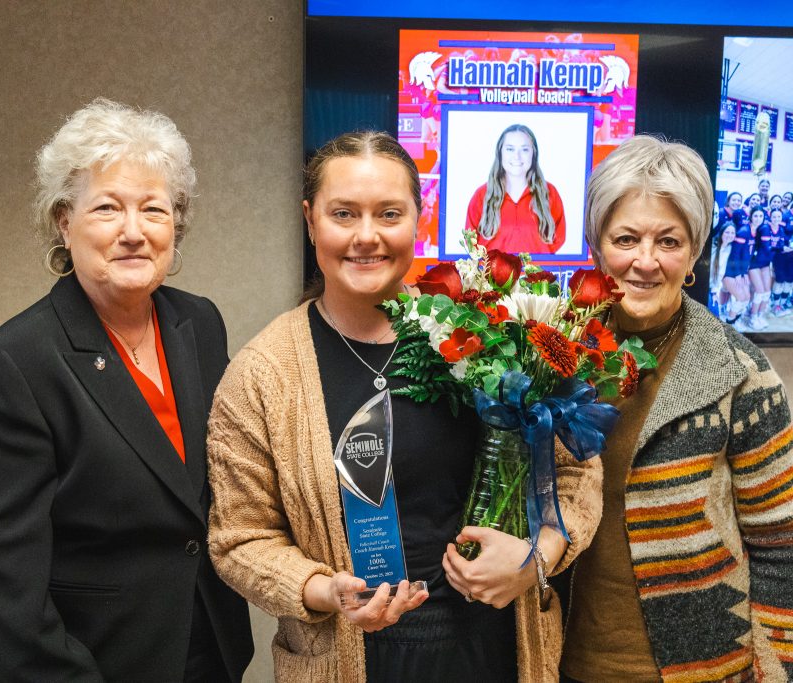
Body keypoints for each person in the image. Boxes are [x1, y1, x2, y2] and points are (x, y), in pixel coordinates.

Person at [207, 131, 602, 682]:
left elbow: (574, 472)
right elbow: (239, 538)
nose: (366, 237)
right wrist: (322, 590)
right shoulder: (262, 375)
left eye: (388, 214)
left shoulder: (484, 333)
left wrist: (537, 558)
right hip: (348, 658)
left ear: (420, 217)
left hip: (495, 651)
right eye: (343, 213)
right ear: (309, 218)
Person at [0, 99, 253, 682]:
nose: (134, 232)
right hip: (90, 662)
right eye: (108, 208)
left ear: (176, 224)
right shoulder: (15, 362)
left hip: (207, 648)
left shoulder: (199, 323)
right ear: (65, 221)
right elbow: (4, 578)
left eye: (154, 210)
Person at [559, 135, 793, 682]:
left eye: (669, 241)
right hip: (560, 658)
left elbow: (790, 551)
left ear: (696, 250)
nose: (645, 262)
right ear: (596, 244)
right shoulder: (550, 353)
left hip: (701, 668)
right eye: (626, 238)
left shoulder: (740, 373)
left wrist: (778, 676)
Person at [467, 123, 567, 254]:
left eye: (524, 149)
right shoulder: (482, 195)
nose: (517, 156)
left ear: (533, 154)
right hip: (492, 274)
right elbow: (470, 241)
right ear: (500, 152)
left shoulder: (549, 193)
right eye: (510, 149)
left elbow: (558, 237)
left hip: (536, 274)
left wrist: (539, 261)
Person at [746, 206, 773, 330]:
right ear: (751, 216)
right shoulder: (746, 229)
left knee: (767, 292)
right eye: (755, 216)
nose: (758, 219)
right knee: (759, 291)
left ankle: (759, 315)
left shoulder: (764, 228)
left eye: (760, 216)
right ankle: (753, 317)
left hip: (764, 263)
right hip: (753, 264)